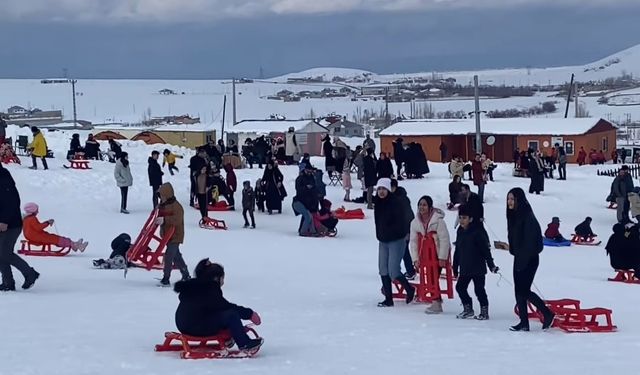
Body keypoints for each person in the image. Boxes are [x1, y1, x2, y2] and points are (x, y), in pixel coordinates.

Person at [173, 259, 264, 351]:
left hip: (183, 324)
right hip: (196, 327)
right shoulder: (209, 289)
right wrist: (249, 314)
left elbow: (213, 309)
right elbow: (225, 307)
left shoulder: (193, 285)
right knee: (231, 315)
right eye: (222, 278)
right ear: (216, 278)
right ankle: (244, 343)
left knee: (222, 315)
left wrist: (237, 328)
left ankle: (229, 336)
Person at [506, 187, 555, 331]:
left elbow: (531, 242)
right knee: (518, 290)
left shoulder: (527, 216)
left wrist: (523, 258)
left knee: (524, 290)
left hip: (529, 259)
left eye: (512, 199)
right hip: (519, 257)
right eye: (508, 199)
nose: (509, 202)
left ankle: (547, 313)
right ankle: (524, 322)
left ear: (518, 200)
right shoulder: (513, 215)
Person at [374, 178, 415, 307]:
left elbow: (404, 219)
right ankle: (388, 299)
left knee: (393, 270)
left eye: (383, 189)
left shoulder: (396, 202)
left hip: (397, 239)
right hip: (383, 240)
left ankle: (409, 289)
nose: (381, 192)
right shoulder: (378, 203)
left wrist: (404, 232)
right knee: (382, 269)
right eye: (379, 189)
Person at [453, 205, 498, 320]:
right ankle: (468, 308)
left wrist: (491, 265)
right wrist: (455, 266)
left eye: (464, 218)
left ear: (471, 219)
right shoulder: (460, 231)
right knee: (460, 287)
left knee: (479, 290)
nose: (462, 220)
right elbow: (458, 250)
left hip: (478, 268)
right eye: (460, 217)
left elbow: (486, 251)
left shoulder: (477, 233)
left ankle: (484, 311)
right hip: (465, 267)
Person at [0, 163, 39, 291]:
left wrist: (4, 220)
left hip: (10, 224)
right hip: (4, 223)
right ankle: (8, 283)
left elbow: (12, 201)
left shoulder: (3, 177)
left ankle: (29, 273)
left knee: (4, 253)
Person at [409, 195, 450, 314]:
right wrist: (415, 259)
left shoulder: (438, 220)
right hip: (425, 255)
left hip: (436, 254)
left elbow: (444, 239)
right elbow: (413, 242)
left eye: (424, 205)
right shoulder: (415, 222)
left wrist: (442, 257)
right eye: (420, 205)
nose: (422, 207)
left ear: (430, 207)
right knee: (429, 278)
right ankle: (436, 300)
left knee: (433, 277)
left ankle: (436, 302)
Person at [156, 183, 190, 286]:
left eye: (163, 196)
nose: (161, 198)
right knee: (176, 257)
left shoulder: (177, 207)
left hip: (175, 235)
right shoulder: (164, 205)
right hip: (168, 235)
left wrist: (164, 220)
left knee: (169, 256)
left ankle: (166, 278)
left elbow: (177, 220)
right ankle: (186, 274)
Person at [22, 202, 88, 252]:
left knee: (53, 237)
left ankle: (74, 244)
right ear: (33, 210)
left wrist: (46, 222)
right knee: (55, 239)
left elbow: (35, 228)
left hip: (35, 236)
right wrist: (47, 222)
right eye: (37, 210)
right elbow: (38, 227)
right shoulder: (32, 219)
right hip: (37, 237)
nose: (38, 212)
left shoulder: (26, 219)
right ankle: (76, 245)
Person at [390, 179, 415, 280]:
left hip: (405, 229)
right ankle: (406, 270)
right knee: (401, 251)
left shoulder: (400, 199)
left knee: (403, 251)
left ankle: (409, 271)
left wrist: (408, 231)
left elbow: (408, 216)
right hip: (400, 229)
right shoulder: (397, 197)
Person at [293, 165, 319, 236]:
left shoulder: (312, 178)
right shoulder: (300, 178)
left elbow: (314, 190)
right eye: (308, 170)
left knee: (309, 215)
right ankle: (303, 231)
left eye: (310, 171)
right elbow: (298, 190)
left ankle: (312, 231)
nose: (309, 172)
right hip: (298, 202)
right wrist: (306, 188)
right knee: (308, 216)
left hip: (308, 202)